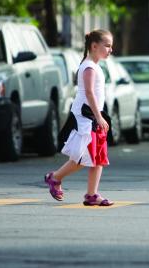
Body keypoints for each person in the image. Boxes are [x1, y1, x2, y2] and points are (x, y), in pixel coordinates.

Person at [44, 30, 114, 206]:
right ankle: (55, 177)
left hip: (94, 115)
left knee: (98, 156)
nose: (110, 49)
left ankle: (92, 195)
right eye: (107, 45)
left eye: (111, 46)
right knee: (85, 156)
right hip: (87, 116)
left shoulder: (94, 65)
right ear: (94, 46)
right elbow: (89, 93)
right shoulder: (89, 66)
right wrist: (98, 117)